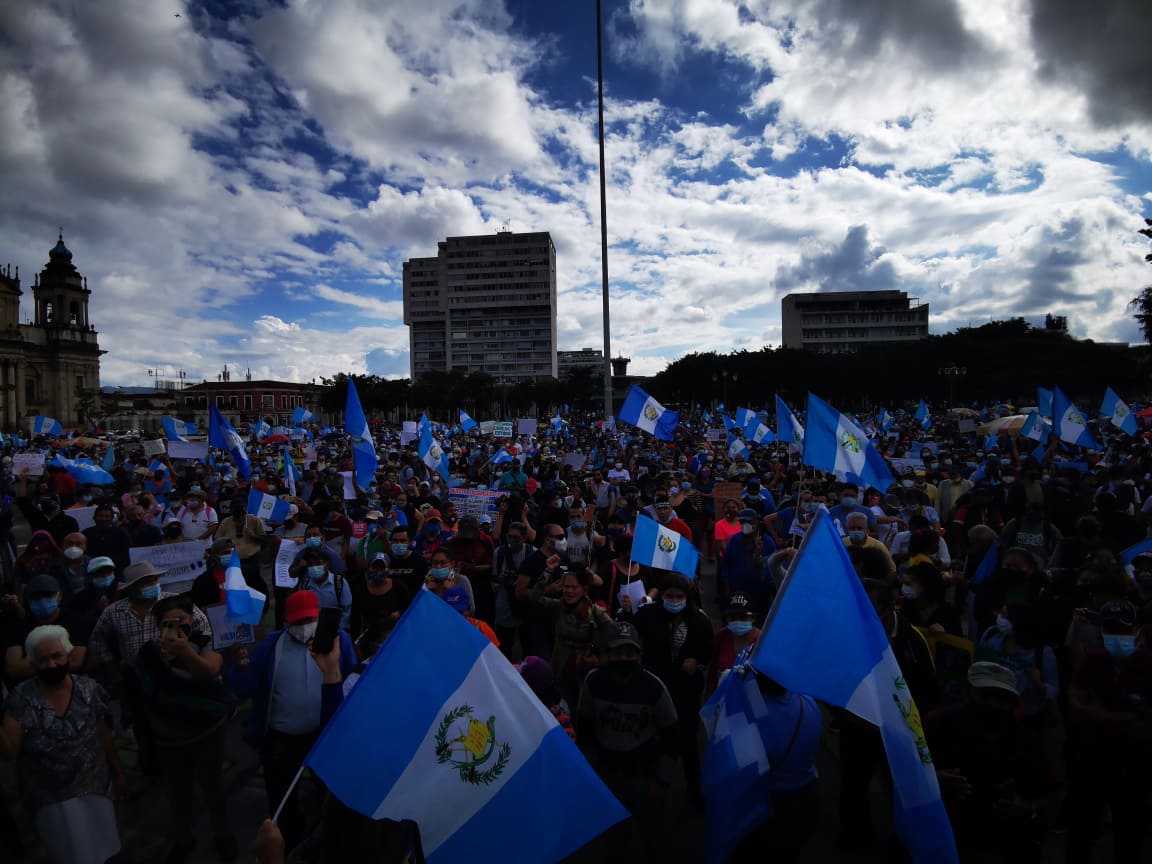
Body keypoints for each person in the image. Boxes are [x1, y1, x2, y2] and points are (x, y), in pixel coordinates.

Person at [228, 590, 356, 854]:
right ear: (286, 622)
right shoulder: (270, 647)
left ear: (318, 616)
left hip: (324, 737)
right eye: (297, 623)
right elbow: (246, 688)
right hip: (283, 740)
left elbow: (352, 680)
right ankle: (288, 845)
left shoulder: (338, 641)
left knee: (331, 796)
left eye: (308, 620)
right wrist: (239, 668)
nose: (303, 628)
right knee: (282, 799)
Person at [0, 624, 125, 864]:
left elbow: (104, 736)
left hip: (94, 786)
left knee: (105, 846)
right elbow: (10, 752)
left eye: (57, 656)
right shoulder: (21, 699)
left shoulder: (89, 689)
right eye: (42, 659)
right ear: (33, 664)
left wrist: (118, 775)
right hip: (50, 798)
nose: (51, 665)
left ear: (67, 654)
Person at [131, 594, 237, 863]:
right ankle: (183, 838)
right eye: (169, 623)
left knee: (212, 785)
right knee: (178, 792)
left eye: (182, 621)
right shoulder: (148, 654)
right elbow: (143, 693)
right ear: (158, 625)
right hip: (168, 739)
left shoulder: (204, 643)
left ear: (192, 620)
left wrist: (184, 652)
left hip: (207, 733)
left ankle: (222, 833)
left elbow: (209, 671)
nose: (177, 627)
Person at [926, 662, 1053, 862]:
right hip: (948, 838)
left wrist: (1029, 811)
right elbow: (903, 775)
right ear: (970, 693)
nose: (993, 704)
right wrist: (932, 781)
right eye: (985, 696)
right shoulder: (939, 724)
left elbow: (1050, 793)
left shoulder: (1027, 739)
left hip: (1009, 844)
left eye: (1001, 698)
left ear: (1013, 701)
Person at [577, 621, 679, 864]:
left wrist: (662, 783)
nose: (625, 658)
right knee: (615, 845)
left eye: (630, 653)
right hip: (608, 776)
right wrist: (592, 776)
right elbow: (585, 730)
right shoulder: (593, 683)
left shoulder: (654, 688)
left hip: (644, 777)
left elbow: (672, 736)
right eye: (619, 653)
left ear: (639, 655)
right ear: (607, 654)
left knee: (654, 842)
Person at [1066, 599, 1151, 863]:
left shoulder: (1148, 664)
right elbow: (1075, 703)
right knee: (1081, 831)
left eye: (1121, 629)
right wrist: (1125, 719)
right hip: (1090, 761)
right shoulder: (1094, 659)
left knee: (1129, 836)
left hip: (1134, 766)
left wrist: (1096, 715)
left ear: (1137, 630)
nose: (1115, 635)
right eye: (1110, 628)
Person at [622, 572, 713, 807]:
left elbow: (708, 650)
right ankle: (652, 789)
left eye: (679, 596)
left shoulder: (699, 621)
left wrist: (697, 662)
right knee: (653, 740)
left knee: (687, 744)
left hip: (686, 690)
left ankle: (695, 791)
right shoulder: (648, 615)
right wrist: (627, 611)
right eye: (669, 596)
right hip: (655, 687)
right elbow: (628, 631)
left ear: (687, 596)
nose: (674, 601)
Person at [723, 667, 824, 864]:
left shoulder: (746, 718)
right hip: (804, 803)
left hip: (763, 810)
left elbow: (736, 768)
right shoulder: (809, 705)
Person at [531, 563, 612, 710]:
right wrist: (547, 571)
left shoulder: (594, 612)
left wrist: (599, 658)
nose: (569, 591)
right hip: (560, 669)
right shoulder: (559, 607)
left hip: (583, 672)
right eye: (566, 587)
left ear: (584, 589)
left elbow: (614, 634)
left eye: (574, 587)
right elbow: (535, 598)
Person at [2, 573, 90, 684]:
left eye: (48, 595)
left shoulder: (75, 621)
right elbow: (14, 669)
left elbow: (75, 662)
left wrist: (35, 662)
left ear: (59, 596)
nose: (42, 600)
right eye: (36, 596)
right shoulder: (18, 626)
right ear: (28, 599)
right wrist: (59, 659)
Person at [349, 553, 411, 654]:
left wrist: (399, 613)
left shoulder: (399, 587)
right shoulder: (360, 590)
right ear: (368, 569)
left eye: (382, 567)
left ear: (389, 569)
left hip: (395, 637)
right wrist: (356, 644)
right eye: (375, 567)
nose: (378, 570)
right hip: (369, 639)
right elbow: (355, 619)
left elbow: (410, 610)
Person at [707, 592, 760, 694]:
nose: (737, 621)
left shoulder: (761, 642)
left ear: (753, 618)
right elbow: (712, 671)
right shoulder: (722, 635)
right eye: (732, 617)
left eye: (742, 618)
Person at [294, 547, 353, 631]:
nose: (314, 567)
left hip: (335, 631)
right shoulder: (304, 585)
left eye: (318, 563)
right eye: (311, 564)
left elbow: (346, 610)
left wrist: (339, 631)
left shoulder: (339, 583)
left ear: (327, 565)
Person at [82, 505, 132, 575]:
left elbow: (126, 555)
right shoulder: (86, 533)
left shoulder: (122, 533)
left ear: (112, 518)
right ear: (94, 518)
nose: (103, 519)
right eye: (100, 516)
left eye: (107, 516)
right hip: (92, 570)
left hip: (116, 571)